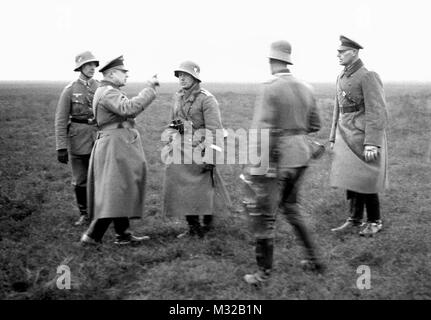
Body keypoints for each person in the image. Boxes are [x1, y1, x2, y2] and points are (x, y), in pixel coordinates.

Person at [242, 40, 324, 285]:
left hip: (277, 160)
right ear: (288, 60)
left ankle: (262, 274)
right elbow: (315, 124)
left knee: (264, 216)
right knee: (291, 209)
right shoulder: (306, 87)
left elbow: (261, 131)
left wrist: (257, 166)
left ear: (271, 61)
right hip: (300, 157)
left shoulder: (270, 87)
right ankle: (314, 260)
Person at [80, 55, 159, 245]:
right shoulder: (108, 92)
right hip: (114, 146)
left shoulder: (108, 90)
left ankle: (122, 235)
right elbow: (128, 108)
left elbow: (126, 111)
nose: (126, 76)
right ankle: (92, 236)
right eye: (123, 72)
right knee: (115, 191)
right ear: (111, 74)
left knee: (119, 188)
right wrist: (149, 89)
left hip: (117, 144)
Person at [162, 61, 230, 238]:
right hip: (180, 149)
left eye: (186, 75)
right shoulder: (177, 97)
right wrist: (170, 138)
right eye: (180, 75)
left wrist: (212, 156)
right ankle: (193, 227)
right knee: (183, 188)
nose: (182, 78)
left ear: (195, 77)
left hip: (200, 149)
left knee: (204, 188)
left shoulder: (206, 99)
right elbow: (173, 122)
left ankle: (207, 223)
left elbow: (215, 129)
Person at [329, 35, 388, 237]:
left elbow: (377, 111)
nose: (338, 55)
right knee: (350, 179)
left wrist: (372, 143)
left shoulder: (368, 76)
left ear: (353, 53)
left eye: (342, 52)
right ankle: (354, 219)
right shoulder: (341, 77)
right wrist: (332, 137)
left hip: (363, 136)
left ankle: (374, 221)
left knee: (367, 179)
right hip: (345, 135)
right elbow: (338, 109)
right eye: (338, 52)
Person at [55, 51, 99, 226]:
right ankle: (85, 213)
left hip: (98, 137)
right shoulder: (70, 90)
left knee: (100, 176)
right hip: (77, 139)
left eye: (94, 65)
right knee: (80, 178)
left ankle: (100, 213)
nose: (92, 68)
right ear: (80, 67)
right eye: (88, 65)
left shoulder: (101, 87)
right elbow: (60, 119)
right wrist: (61, 147)